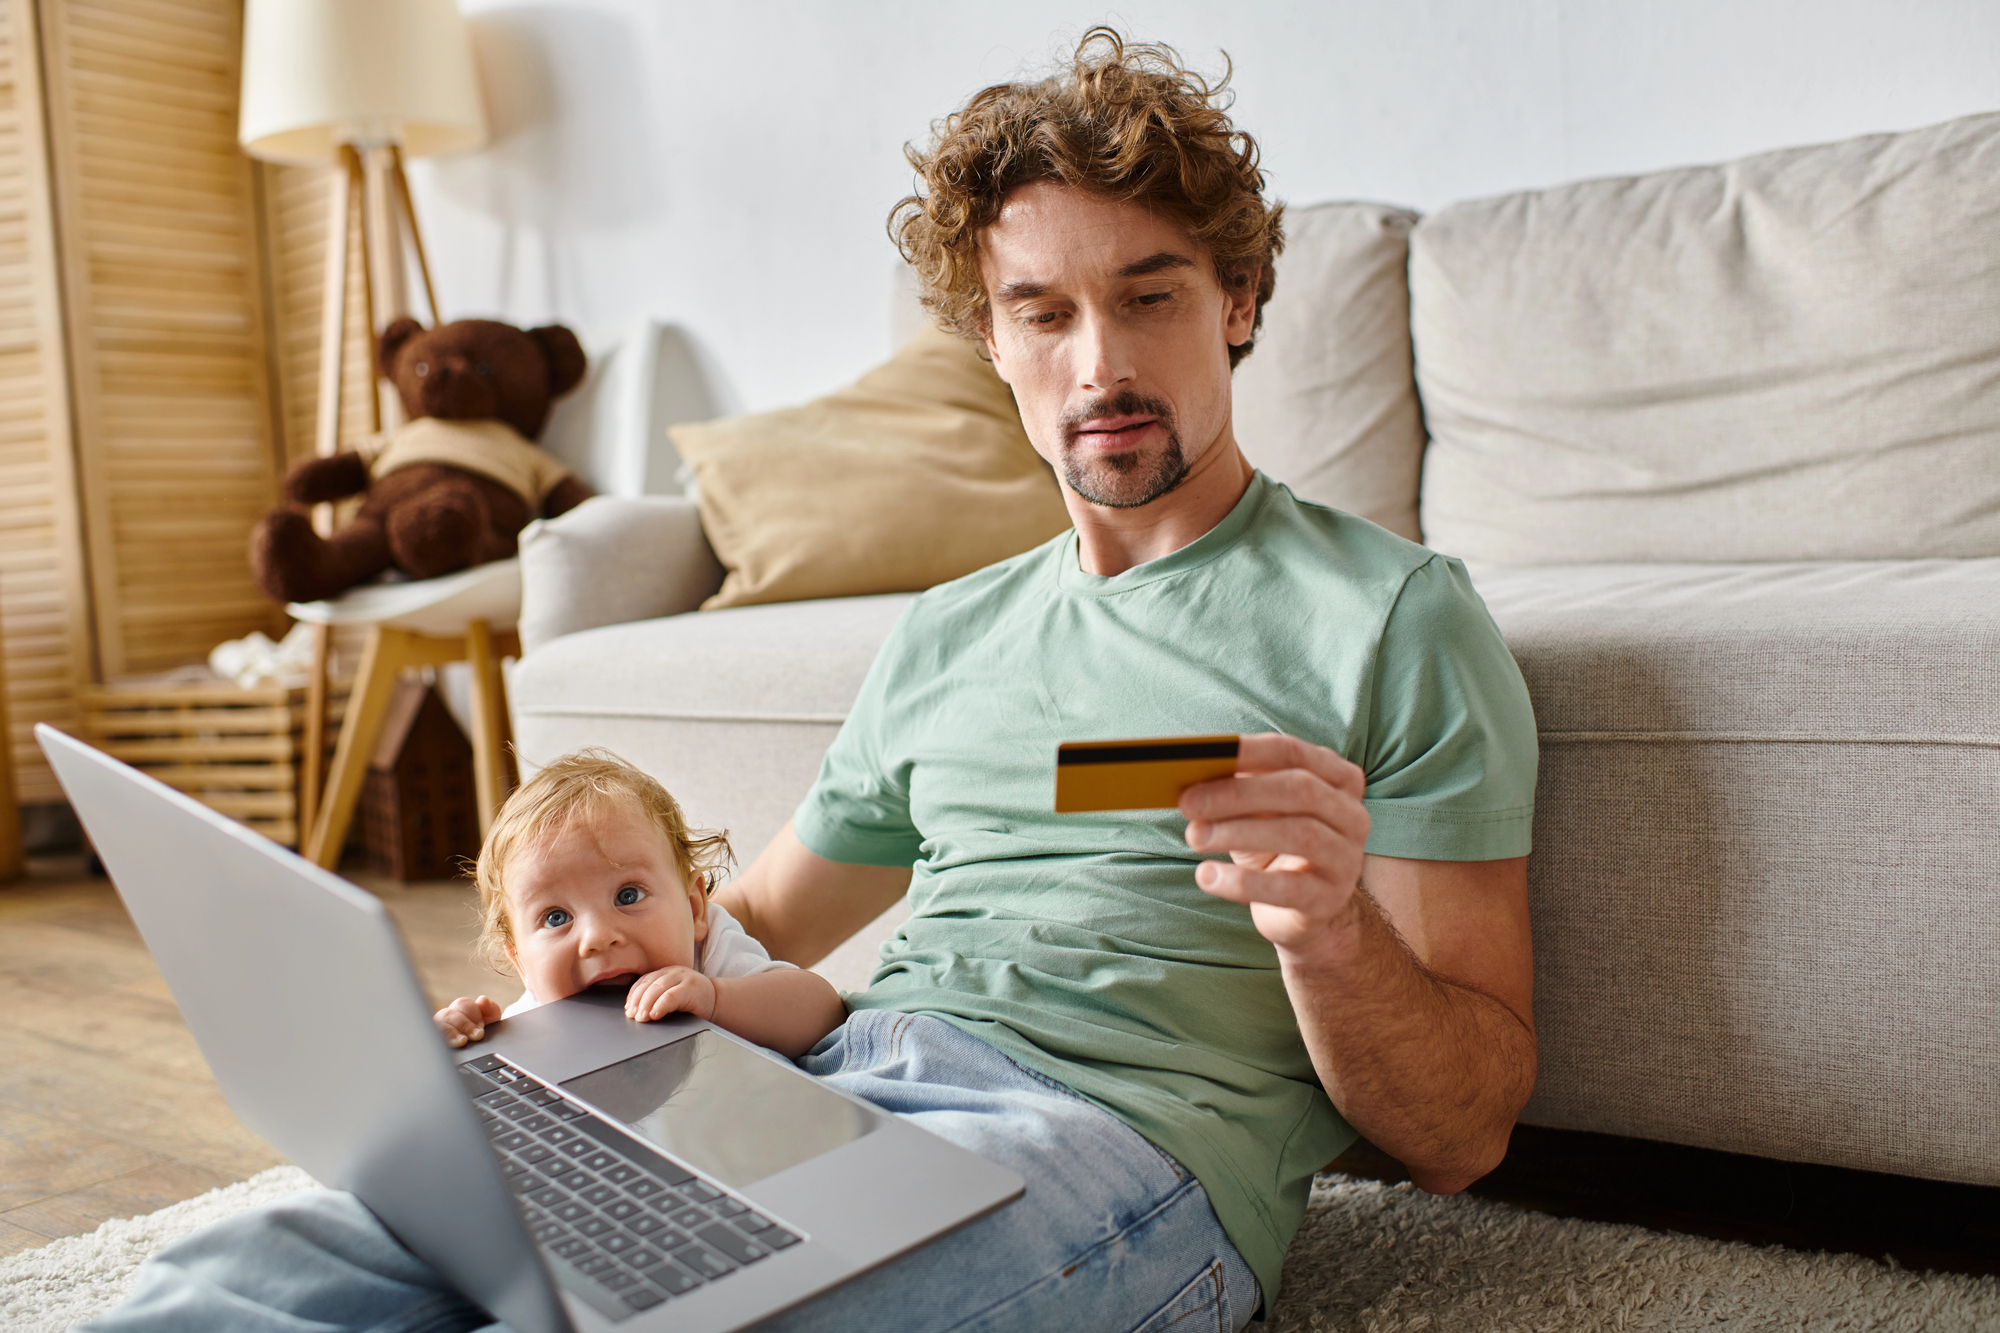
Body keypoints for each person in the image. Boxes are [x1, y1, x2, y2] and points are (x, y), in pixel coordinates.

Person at [85, 28, 1537, 1333]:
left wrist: (1329, 930)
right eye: (1042, 314)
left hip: (1109, 1147)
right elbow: (756, 922)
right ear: (991, 339)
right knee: (259, 1269)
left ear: (1239, 296)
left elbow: (1463, 1133)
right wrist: (556, 1015)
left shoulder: (1392, 616)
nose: (1101, 364)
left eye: (1148, 296)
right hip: (828, 1076)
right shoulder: (950, 632)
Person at [432, 749, 845, 1059]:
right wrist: (471, 1043)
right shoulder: (539, 1014)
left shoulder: (710, 958)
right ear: (521, 961)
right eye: (556, 918)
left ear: (694, 909)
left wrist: (716, 1000)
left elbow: (821, 1011)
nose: (597, 937)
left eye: (627, 896)